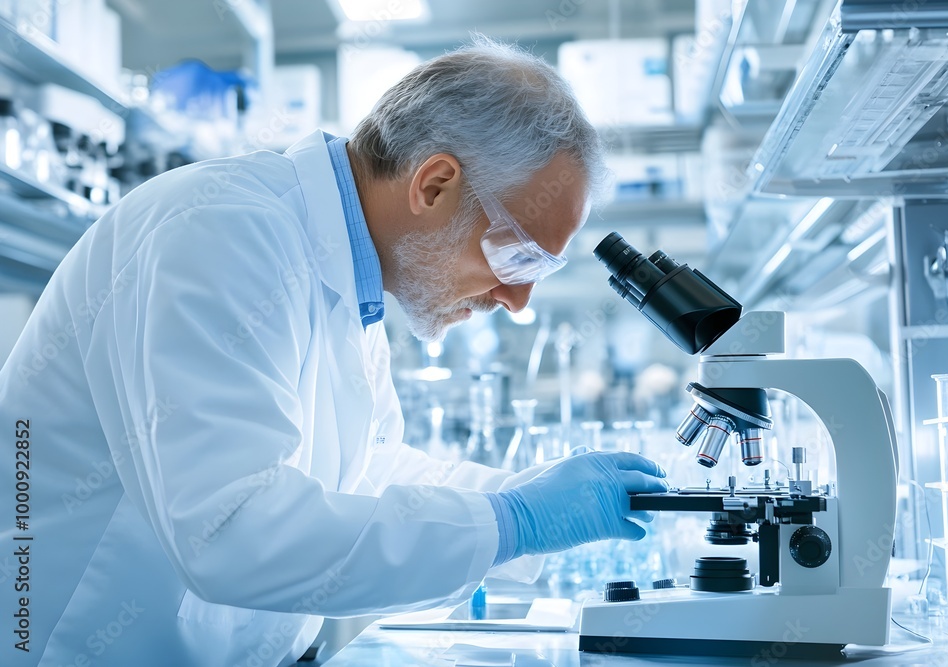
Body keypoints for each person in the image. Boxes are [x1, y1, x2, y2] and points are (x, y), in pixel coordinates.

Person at [0, 37, 668, 666]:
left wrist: (523, 498)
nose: (517, 300)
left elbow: (369, 473)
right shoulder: (224, 232)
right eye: (517, 253)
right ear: (434, 184)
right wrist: (514, 521)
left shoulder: (350, 277)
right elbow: (232, 529)